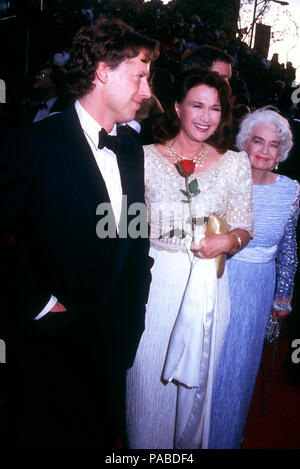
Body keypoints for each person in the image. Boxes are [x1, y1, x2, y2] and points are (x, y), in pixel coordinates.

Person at [0, 17, 159, 448]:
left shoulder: (129, 147)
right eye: (140, 77)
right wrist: (35, 302)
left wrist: (134, 313)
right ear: (103, 72)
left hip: (114, 343)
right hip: (52, 349)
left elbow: (133, 237)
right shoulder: (34, 144)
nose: (148, 92)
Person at [126, 68, 255, 449]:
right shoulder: (142, 158)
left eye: (215, 109)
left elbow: (246, 226)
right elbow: (121, 225)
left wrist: (229, 240)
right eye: (196, 105)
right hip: (152, 284)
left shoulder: (235, 163)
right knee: (146, 386)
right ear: (178, 107)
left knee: (194, 392)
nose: (205, 116)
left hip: (209, 290)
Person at [209, 106, 300, 449]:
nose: (264, 150)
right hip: (216, 276)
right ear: (244, 143)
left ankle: (223, 438)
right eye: (257, 141)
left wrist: (283, 297)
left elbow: (289, 247)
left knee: (237, 370)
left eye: (273, 145)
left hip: (256, 285)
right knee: (205, 363)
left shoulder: (290, 190)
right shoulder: (222, 178)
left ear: (282, 152)